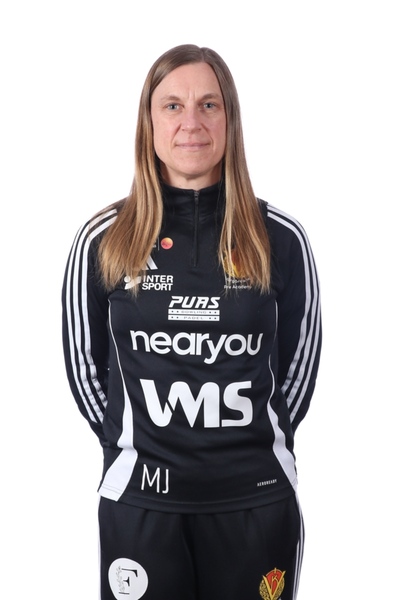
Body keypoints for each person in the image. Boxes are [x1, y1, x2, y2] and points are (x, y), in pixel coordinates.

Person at [62, 44, 322, 600]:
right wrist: (136, 447)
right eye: (173, 106)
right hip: (142, 507)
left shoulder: (281, 239)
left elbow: (297, 373)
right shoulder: (104, 239)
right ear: (149, 123)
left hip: (255, 505)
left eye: (209, 105)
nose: (192, 123)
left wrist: (247, 452)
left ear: (230, 120)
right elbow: (85, 370)